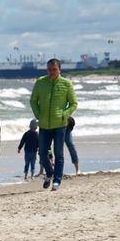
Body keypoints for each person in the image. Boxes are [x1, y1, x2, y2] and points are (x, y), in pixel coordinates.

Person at [29, 58, 78, 191]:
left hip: (60, 125)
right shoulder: (40, 82)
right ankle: (49, 173)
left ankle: (57, 180)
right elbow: (33, 100)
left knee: (58, 153)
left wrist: (65, 114)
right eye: (49, 69)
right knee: (43, 153)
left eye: (54, 69)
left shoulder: (66, 84)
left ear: (59, 69)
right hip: (44, 125)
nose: (51, 72)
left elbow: (73, 103)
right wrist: (38, 114)